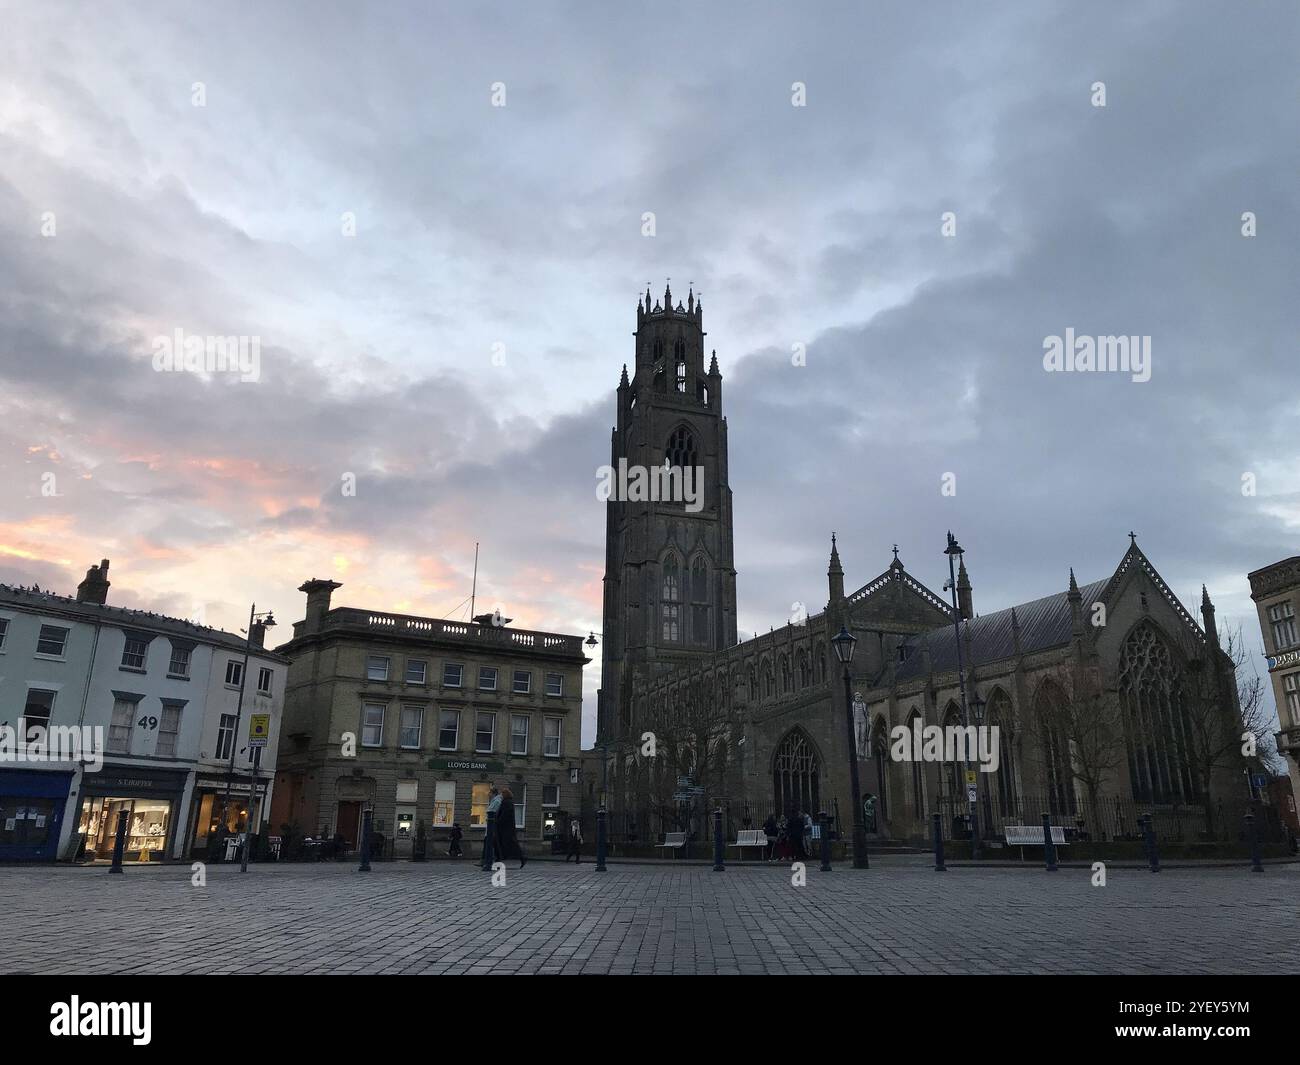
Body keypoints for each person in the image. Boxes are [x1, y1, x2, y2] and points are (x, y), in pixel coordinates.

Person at [495, 785, 526, 868]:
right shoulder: (508, 802)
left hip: (506, 828)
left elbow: (504, 815)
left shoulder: (506, 802)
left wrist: (498, 822)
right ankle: (498, 860)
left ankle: (521, 858)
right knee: (503, 844)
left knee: (509, 844)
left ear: (505, 794)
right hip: (507, 828)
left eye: (502, 793)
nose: (501, 795)